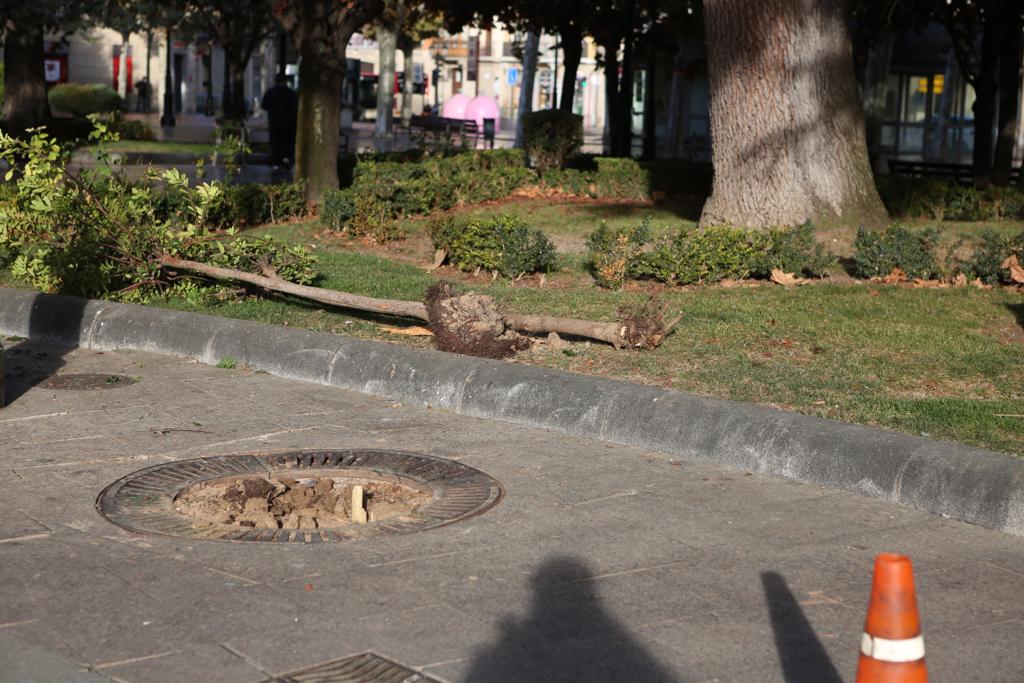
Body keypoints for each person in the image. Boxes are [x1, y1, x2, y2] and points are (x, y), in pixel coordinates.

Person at [260, 75, 298, 169]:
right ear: (285, 82)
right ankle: (286, 158)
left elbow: (264, 105)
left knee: (275, 142)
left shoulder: (270, 92)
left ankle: (276, 162)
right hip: (289, 123)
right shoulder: (290, 93)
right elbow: (296, 108)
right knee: (288, 141)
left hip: (274, 122)